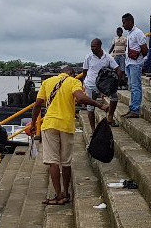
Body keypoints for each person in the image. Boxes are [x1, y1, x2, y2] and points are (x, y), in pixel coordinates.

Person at [29, 67, 108, 205]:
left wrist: (33, 124)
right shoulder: (73, 81)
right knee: (65, 162)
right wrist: (99, 105)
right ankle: (66, 193)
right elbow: (81, 97)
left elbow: (37, 105)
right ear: (71, 74)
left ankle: (58, 196)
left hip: (49, 124)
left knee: (53, 162)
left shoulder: (47, 82)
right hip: (66, 125)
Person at [82, 38, 124, 126]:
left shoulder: (108, 57)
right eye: (91, 47)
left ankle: (110, 116)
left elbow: (118, 70)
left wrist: (115, 84)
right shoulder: (88, 57)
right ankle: (93, 130)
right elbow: (84, 72)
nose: (92, 48)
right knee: (90, 108)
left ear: (99, 46)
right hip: (90, 85)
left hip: (103, 86)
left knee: (114, 97)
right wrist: (83, 84)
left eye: (94, 46)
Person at [121, 13, 148, 119]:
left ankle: (135, 109)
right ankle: (132, 108)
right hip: (129, 63)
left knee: (136, 87)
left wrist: (139, 58)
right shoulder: (130, 33)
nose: (123, 25)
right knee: (132, 87)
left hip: (135, 64)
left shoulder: (138, 33)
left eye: (124, 22)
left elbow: (145, 50)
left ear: (130, 22)